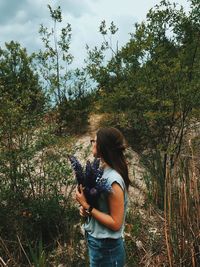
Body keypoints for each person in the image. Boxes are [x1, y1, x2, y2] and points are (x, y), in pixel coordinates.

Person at [75, 127, 130, 267]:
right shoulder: (102, 171)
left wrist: (88, 206)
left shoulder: (113, 179)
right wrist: (86, 211)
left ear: (102, 146)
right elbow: (102, 210)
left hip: (108, 248)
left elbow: (116, 223)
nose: (92, 143)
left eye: (94, 140)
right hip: (98, 245)